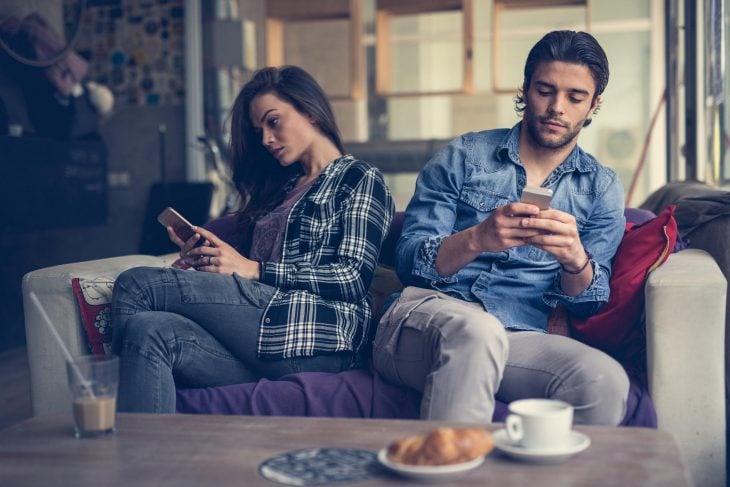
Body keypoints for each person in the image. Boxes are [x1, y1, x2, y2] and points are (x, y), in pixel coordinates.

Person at [372, 30, 628, 425]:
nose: (557, 107)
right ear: (525, 90)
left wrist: (576, 261)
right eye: (545, 90)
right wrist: (477, 238)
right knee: (477, 333)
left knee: (602, 381)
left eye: (575, 97)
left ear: (593, 106)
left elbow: (589, 301)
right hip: (427, 318)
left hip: (519, 337)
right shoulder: (464, 155)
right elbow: (408, 260)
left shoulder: (601, 187)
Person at [111, 65, 394, 413]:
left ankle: (99, 402)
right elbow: (244, 278)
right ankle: (141, 463)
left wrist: (254, 269)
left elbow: (352, 277)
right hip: (264, 335)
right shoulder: (282, 190)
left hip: (317, 335)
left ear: (309, 111)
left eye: (273, 122)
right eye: (259, 130)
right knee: (149, 332)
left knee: (137, 285)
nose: (265, 140)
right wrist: (208, 259)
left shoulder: (359, 178)